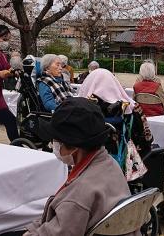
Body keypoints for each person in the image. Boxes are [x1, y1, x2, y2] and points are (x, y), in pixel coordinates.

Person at [20, 97, 134, 236]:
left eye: (56, 140)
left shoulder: (79, 195)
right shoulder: (109, 163)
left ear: (73, 147)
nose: (53, 144)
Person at [77, 68, 153, 157]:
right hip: (125, 160)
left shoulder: (79, 110)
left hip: (88, 160)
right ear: (115, 84)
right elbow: (147, 139)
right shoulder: (132, 107)